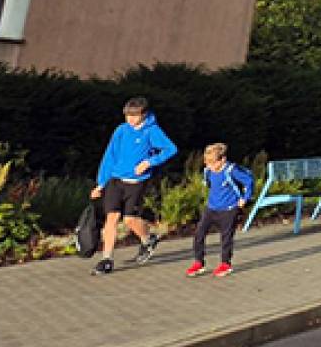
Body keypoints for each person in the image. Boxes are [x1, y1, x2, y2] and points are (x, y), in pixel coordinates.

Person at [89, 96, 177, 275]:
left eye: (134, 115)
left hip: (136, 183)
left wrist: (149, 162)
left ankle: (148, 239)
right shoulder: (121, 130)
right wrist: (101, 183)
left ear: (144, 115)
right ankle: (106, 259)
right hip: (115, 180)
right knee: (111, 218)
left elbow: (170, 149)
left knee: (129, 219)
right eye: (127, 115)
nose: (130, 119)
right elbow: (110, 156)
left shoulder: (152, 131)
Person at [186, 143, 254, 278]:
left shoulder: (231, 170)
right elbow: (211, 185)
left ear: (222, 159)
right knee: (199, 233)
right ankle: (199, 262)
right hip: (211, 208)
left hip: (228, 209)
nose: (209, 166)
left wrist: (244, 198)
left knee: (226, 237)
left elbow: (249, 181)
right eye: (207, 162)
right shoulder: (208, 171)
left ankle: (225, 264)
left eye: (212, 162)